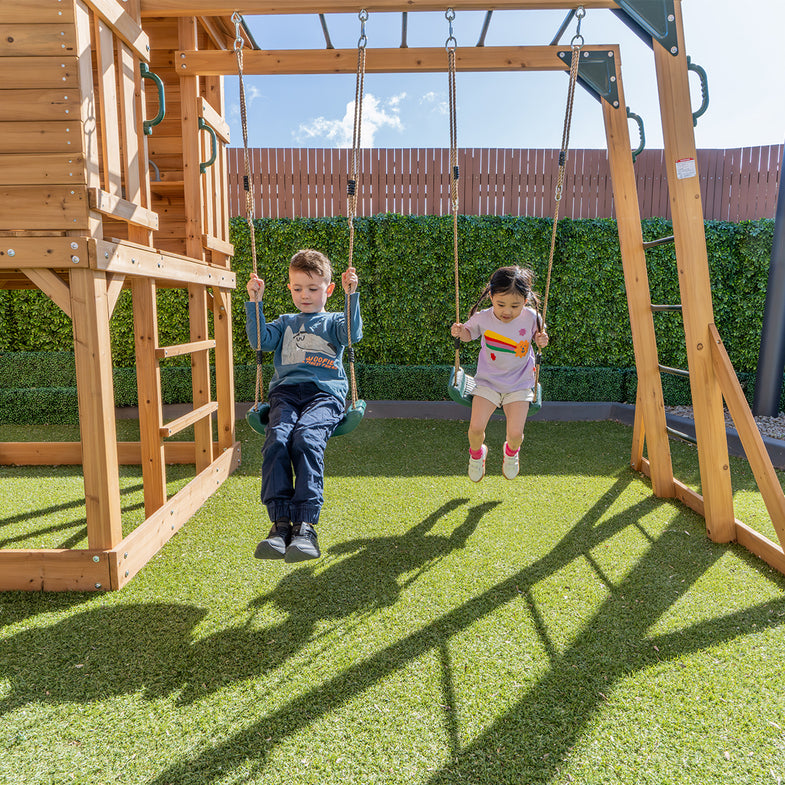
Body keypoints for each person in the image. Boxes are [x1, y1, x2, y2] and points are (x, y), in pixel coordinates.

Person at [245, 248, 361, 562]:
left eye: (312, 289)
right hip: (285, 394)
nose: (304, 295)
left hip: (324, 395)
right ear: (289, 289)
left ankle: (306, 526)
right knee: (278, 440)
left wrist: (353, 296)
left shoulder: (335, 321)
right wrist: (255, 302)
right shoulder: (284, 323)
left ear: (329, 289)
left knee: (306, 439)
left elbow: (352, 335)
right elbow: (259, 340)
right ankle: (280, 524)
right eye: (297, 289)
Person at [450, 265, 549, 482]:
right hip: (488, 382)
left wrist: (542, 339)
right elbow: (468, 334)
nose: (507, 311)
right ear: (491, 296)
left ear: (525, 300)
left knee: (515, 435)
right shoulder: (483, 318)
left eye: (515, 305)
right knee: (475, 429)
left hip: (520, 383)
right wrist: (460, 332)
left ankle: (511, 453)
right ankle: (477, 455)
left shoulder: (531, 317)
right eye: (500, 304)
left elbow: (541, 336)